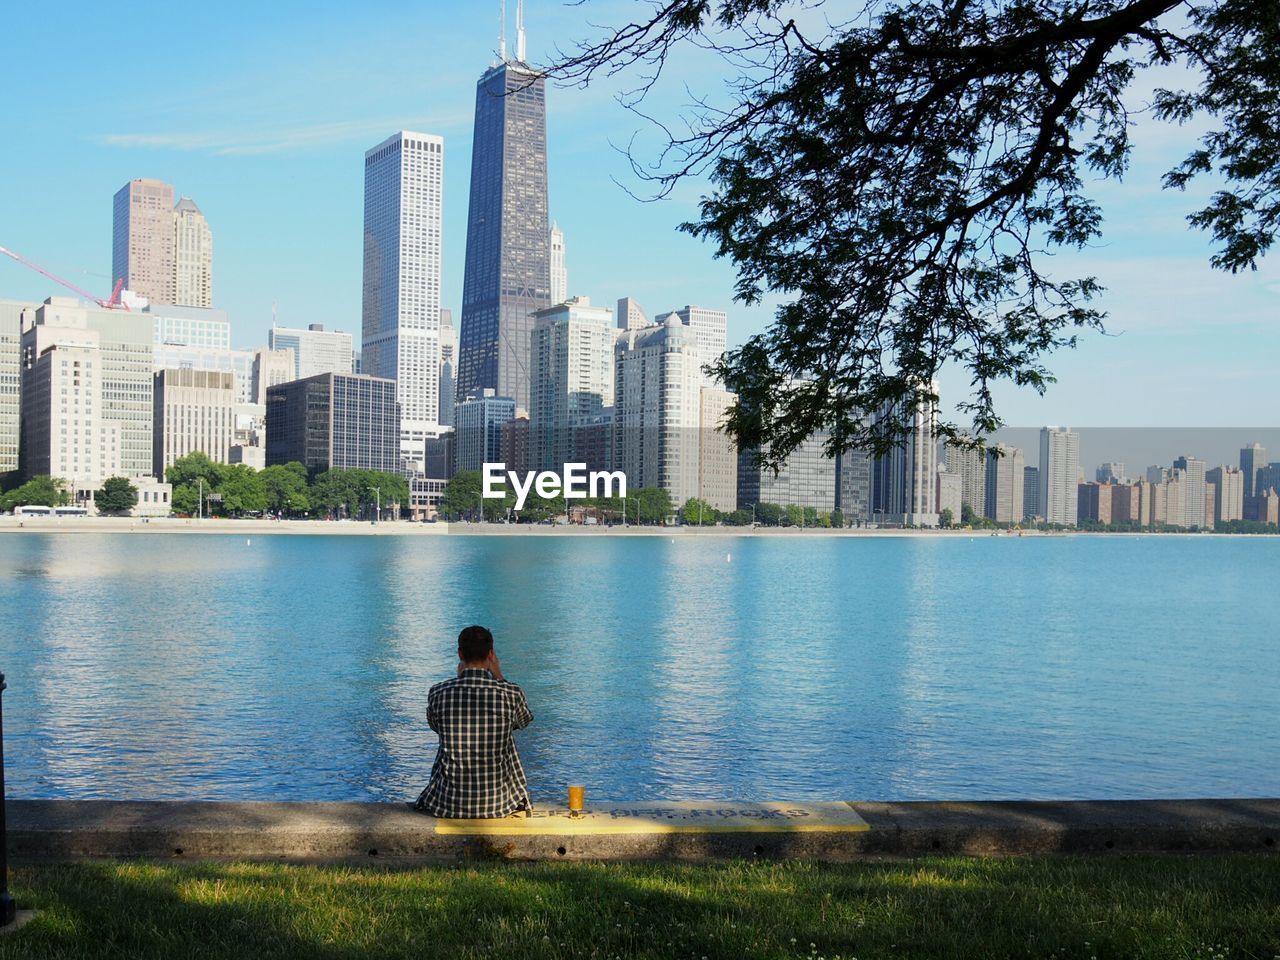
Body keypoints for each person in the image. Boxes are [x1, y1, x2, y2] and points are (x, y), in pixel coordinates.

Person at [414, 624, 534, 818]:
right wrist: (499, 677)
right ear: (491, 654)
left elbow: (437, 727)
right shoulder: (510, 693)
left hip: (448, 803)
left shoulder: (438, 692)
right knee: (506, 735)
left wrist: (459, 679)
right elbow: (524, 721)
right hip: (498, 804)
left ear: (460, 654)